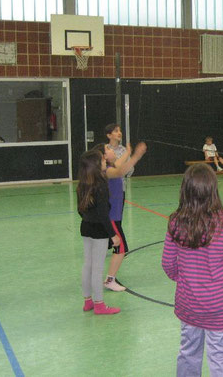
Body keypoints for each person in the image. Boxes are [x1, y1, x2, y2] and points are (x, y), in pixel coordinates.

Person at [161, 163, 223, 376]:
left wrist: (186, 278)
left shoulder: (175, 222)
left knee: (189, 352)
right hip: (219, 306)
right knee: (219, 358)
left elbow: (168, 264)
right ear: (213, 191)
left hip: (188, 303)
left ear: (185, 191)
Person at [93, 142, 147, 292]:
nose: (112, 150)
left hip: (114, 216)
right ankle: (110, 280)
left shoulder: (111, 166)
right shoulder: (108, 171)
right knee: (121, 248)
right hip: (111, 217)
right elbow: (121, 171)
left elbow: (120, 164)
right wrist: (137, 155)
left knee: (115, 248)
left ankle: (106, 278)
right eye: (108, 149)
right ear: (103, 156)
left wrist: (128, 151)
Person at [76, 149, 121, 315]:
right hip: (99, 230)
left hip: (86, 226)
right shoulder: (101, 184)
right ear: (96, 165)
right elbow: (103, 214)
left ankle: (87, 301)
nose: (105, 161)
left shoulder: (82, 183)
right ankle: (100, 304)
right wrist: (113, 235)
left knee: (87, 265)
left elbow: (80, 210)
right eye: (102, 160)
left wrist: (89, 217)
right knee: (97, 268)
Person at [105, 123, 134, 192]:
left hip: (121, 189)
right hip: (106, 188)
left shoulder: (124, 150)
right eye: (116, 131)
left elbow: (130, 170)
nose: (119, 133)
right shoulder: (105, 149)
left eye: (120, 131)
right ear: (109, 135)